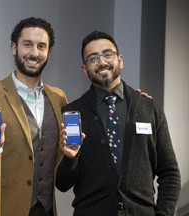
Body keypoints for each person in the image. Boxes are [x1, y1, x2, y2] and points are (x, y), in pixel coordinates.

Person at [56, 31, 181, 216]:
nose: (102, 62)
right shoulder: (73, 113)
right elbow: (62, 184)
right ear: (85, 69)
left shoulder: (148, 107)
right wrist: (70, 158)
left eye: (108, 54)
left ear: (120, 60)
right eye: (93, 58)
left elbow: (170, 173)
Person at [0, 17, 68, 216]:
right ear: (14, 48)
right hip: (4, 208)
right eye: (27, 44)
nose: (34, 53)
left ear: (49, 52)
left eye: (41, 46)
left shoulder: (59, 98)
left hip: (47, 209)